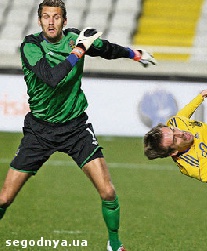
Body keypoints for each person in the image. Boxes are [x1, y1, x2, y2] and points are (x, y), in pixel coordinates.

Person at [0, 1, 156, 250]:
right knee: (4, 198)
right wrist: (80, 49)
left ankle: (114, 244)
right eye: (46, 17)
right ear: (39, 21)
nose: (51, 22)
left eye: (56, 17)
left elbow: (106, 49)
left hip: (75, 128)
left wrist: (134, 54)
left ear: (64, 20)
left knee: (107, 192)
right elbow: (52, 79)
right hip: (40, 131)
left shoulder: (74, 38)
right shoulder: (31, 46)